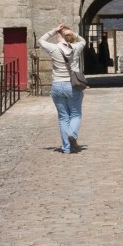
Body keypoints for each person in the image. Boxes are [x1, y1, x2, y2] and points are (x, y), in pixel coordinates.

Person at [38, 23, 85, 152]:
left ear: (59, 35)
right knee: (75, 114)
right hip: (73, 85)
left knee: (63, 117)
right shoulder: (76, 48)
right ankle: (72, 134)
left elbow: (41, 40)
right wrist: (72, 33)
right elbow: (83, 40)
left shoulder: (53, 49)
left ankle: (66, 147)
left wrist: (54, 30)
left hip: (58, 84)